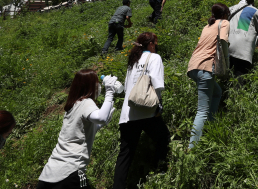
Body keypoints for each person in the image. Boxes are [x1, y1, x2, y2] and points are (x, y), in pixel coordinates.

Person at [38, 70, 118, 189]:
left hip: (48, 174)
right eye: (97, 83)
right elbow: (101, 117)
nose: (99, 86)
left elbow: (77, 132)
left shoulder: (72, 106)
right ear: (90, 86)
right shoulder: (86, 102)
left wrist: (98, 126)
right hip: (69, 172)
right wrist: (110, 93)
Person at [112, 32, 168, 189]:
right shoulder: (154, 58)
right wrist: (159, 105)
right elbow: (158, 84)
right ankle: (159, 173)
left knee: (125, 155)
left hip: (127, 115)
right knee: (163, 138)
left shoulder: (133, 61)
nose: (156, 46)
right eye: (155, 44)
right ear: (150, 44)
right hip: (147, 112)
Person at [187, 3, 230, 148]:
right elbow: (223, 41)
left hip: (193, 66)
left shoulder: (207, 26)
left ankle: (209, 127)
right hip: (205, 68)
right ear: (224, 15)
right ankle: (192, 149)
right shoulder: (224, 23)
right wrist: (227, 62)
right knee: (202, 111)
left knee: (217, 92)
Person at [227, 0, 258, 84]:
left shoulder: (230, 9)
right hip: (242, 48)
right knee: (240, 77)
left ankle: (224, 94)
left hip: (226, 45)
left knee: (226, 75)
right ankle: (238, 96)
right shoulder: (253, 10)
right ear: (252, 3)